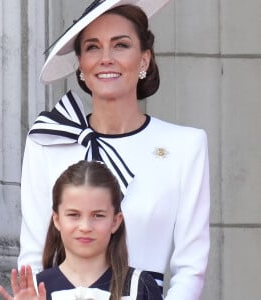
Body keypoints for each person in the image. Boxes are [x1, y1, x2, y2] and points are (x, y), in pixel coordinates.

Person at [18, 0, 210, 299]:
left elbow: (191, 267)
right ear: (80, 63)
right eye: (93, 47)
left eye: (120, 45)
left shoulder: (185, 145)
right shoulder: (47, 142)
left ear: (144, 59)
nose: (106, 58)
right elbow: (32, 255)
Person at [0, 160, 161, 300]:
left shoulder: (140, 287)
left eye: (98, 215)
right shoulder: (35, 288)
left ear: (115, 221)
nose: (85, 227)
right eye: (74, 215)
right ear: (57, 220)